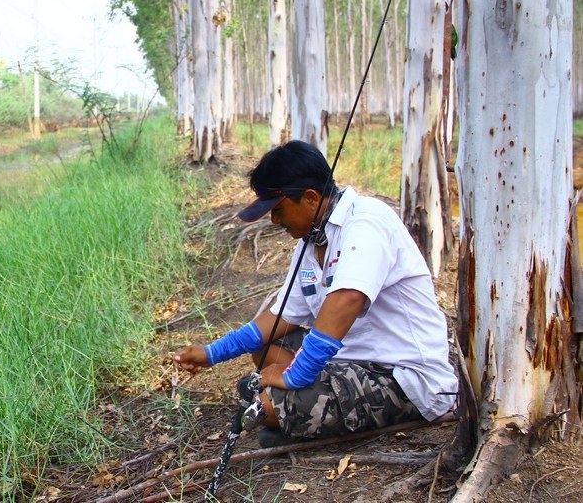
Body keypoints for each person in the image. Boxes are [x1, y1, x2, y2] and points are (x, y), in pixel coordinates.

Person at [172, 140, 458, 446]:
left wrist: (295, 376)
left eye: (278, 210)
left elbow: (347, 299)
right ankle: (296, 412)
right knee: (267, 348)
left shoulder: (366, 222)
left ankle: (287, 411)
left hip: (402, 374)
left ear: (310, 198)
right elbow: (280, 317)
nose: (275, 220)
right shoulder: (310, 242)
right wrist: (213, 353)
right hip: (349, 359)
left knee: (266, 405)